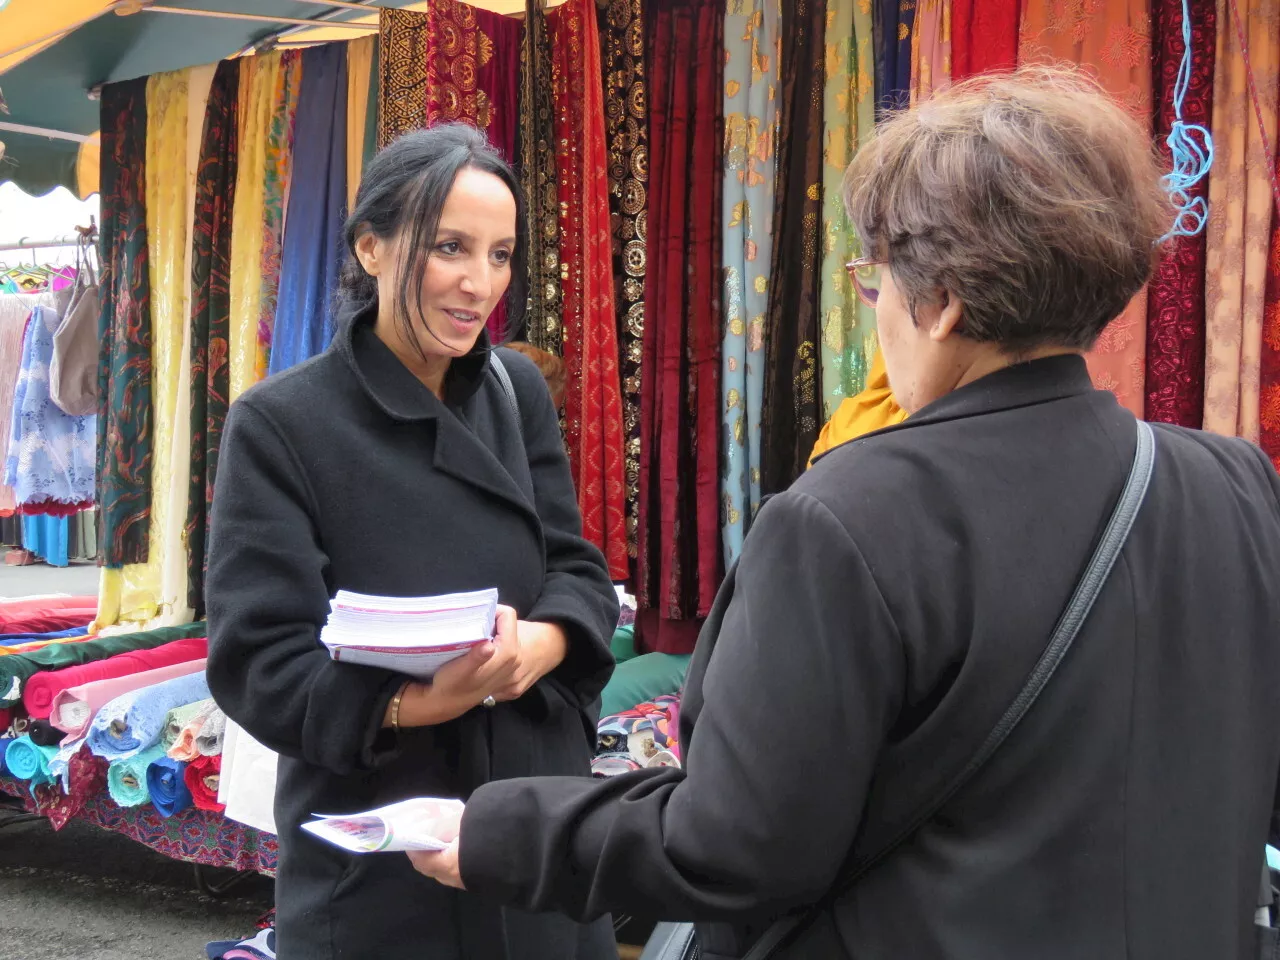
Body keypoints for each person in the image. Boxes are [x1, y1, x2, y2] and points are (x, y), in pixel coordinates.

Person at [409, 69, 1280, 959]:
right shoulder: (1237, 487)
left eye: (877, 283)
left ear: (940, 303)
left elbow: (737, 846)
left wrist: (500, 832)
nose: (879, 314)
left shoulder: (846, 518)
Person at [205, 124, 620, 960]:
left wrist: (537, 646)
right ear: (371, 247)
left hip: (532, 820)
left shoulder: (517, 389)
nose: (479, 284)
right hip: (387, 842)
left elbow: (575, 565)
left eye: (500, 255)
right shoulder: (281, 423)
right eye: (450, 248)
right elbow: (258, 660)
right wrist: (419, 702)